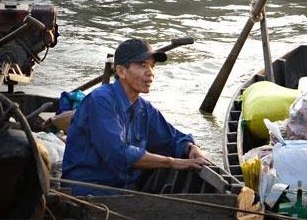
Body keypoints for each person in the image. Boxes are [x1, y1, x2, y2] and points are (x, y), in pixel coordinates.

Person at [62, 38, 208, 195]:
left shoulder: (144, 108)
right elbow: (118, 154)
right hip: (88, 189)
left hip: (122, 188)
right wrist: (171, 163)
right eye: (142, 65)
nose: (150, 72)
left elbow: (172, 140)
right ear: (121, 72)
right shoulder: (101, 100)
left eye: (152, 66)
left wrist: (191, 148)